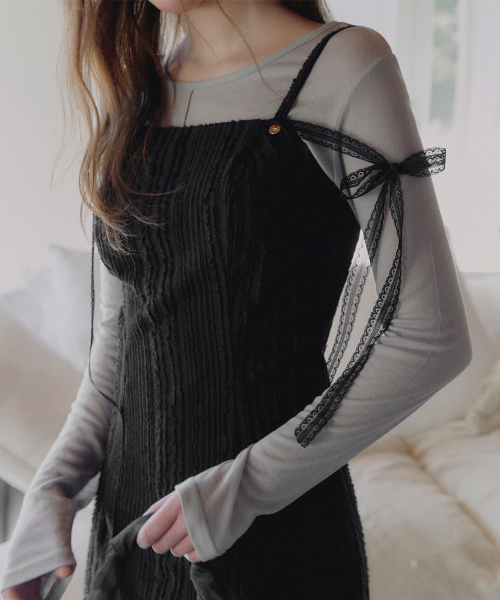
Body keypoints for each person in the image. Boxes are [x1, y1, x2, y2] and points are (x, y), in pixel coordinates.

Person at [1, 0, 472, 599]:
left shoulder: (342, 66)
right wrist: (52, 490)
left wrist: (244, 489)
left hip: (276, 545)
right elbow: (119, 350)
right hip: (132, 539)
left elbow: (432, 334)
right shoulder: (141, 92)